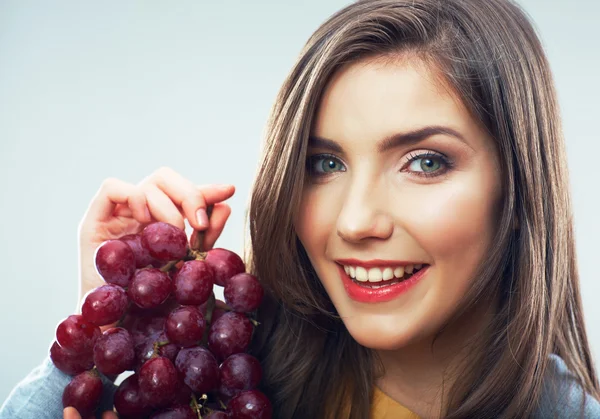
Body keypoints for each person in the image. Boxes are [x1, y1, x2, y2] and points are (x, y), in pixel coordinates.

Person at [2, 0, 600, 417]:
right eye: (325, 164)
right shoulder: (222, 382)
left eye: (425, 162)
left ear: (519, 191)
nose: (356, 221)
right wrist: (117, 328)